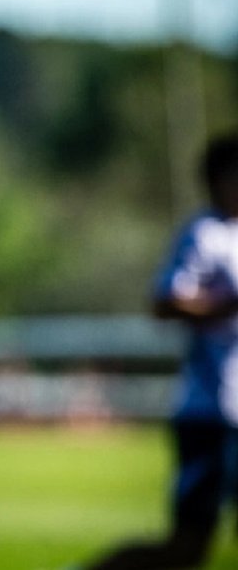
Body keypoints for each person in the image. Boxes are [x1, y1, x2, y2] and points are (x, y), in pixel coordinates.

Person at [89, 134, 238, 570]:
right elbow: (165, 301)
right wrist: (225, 305)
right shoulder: (205, 234)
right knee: (187, 548)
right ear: (218, 179)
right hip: (211, 412)